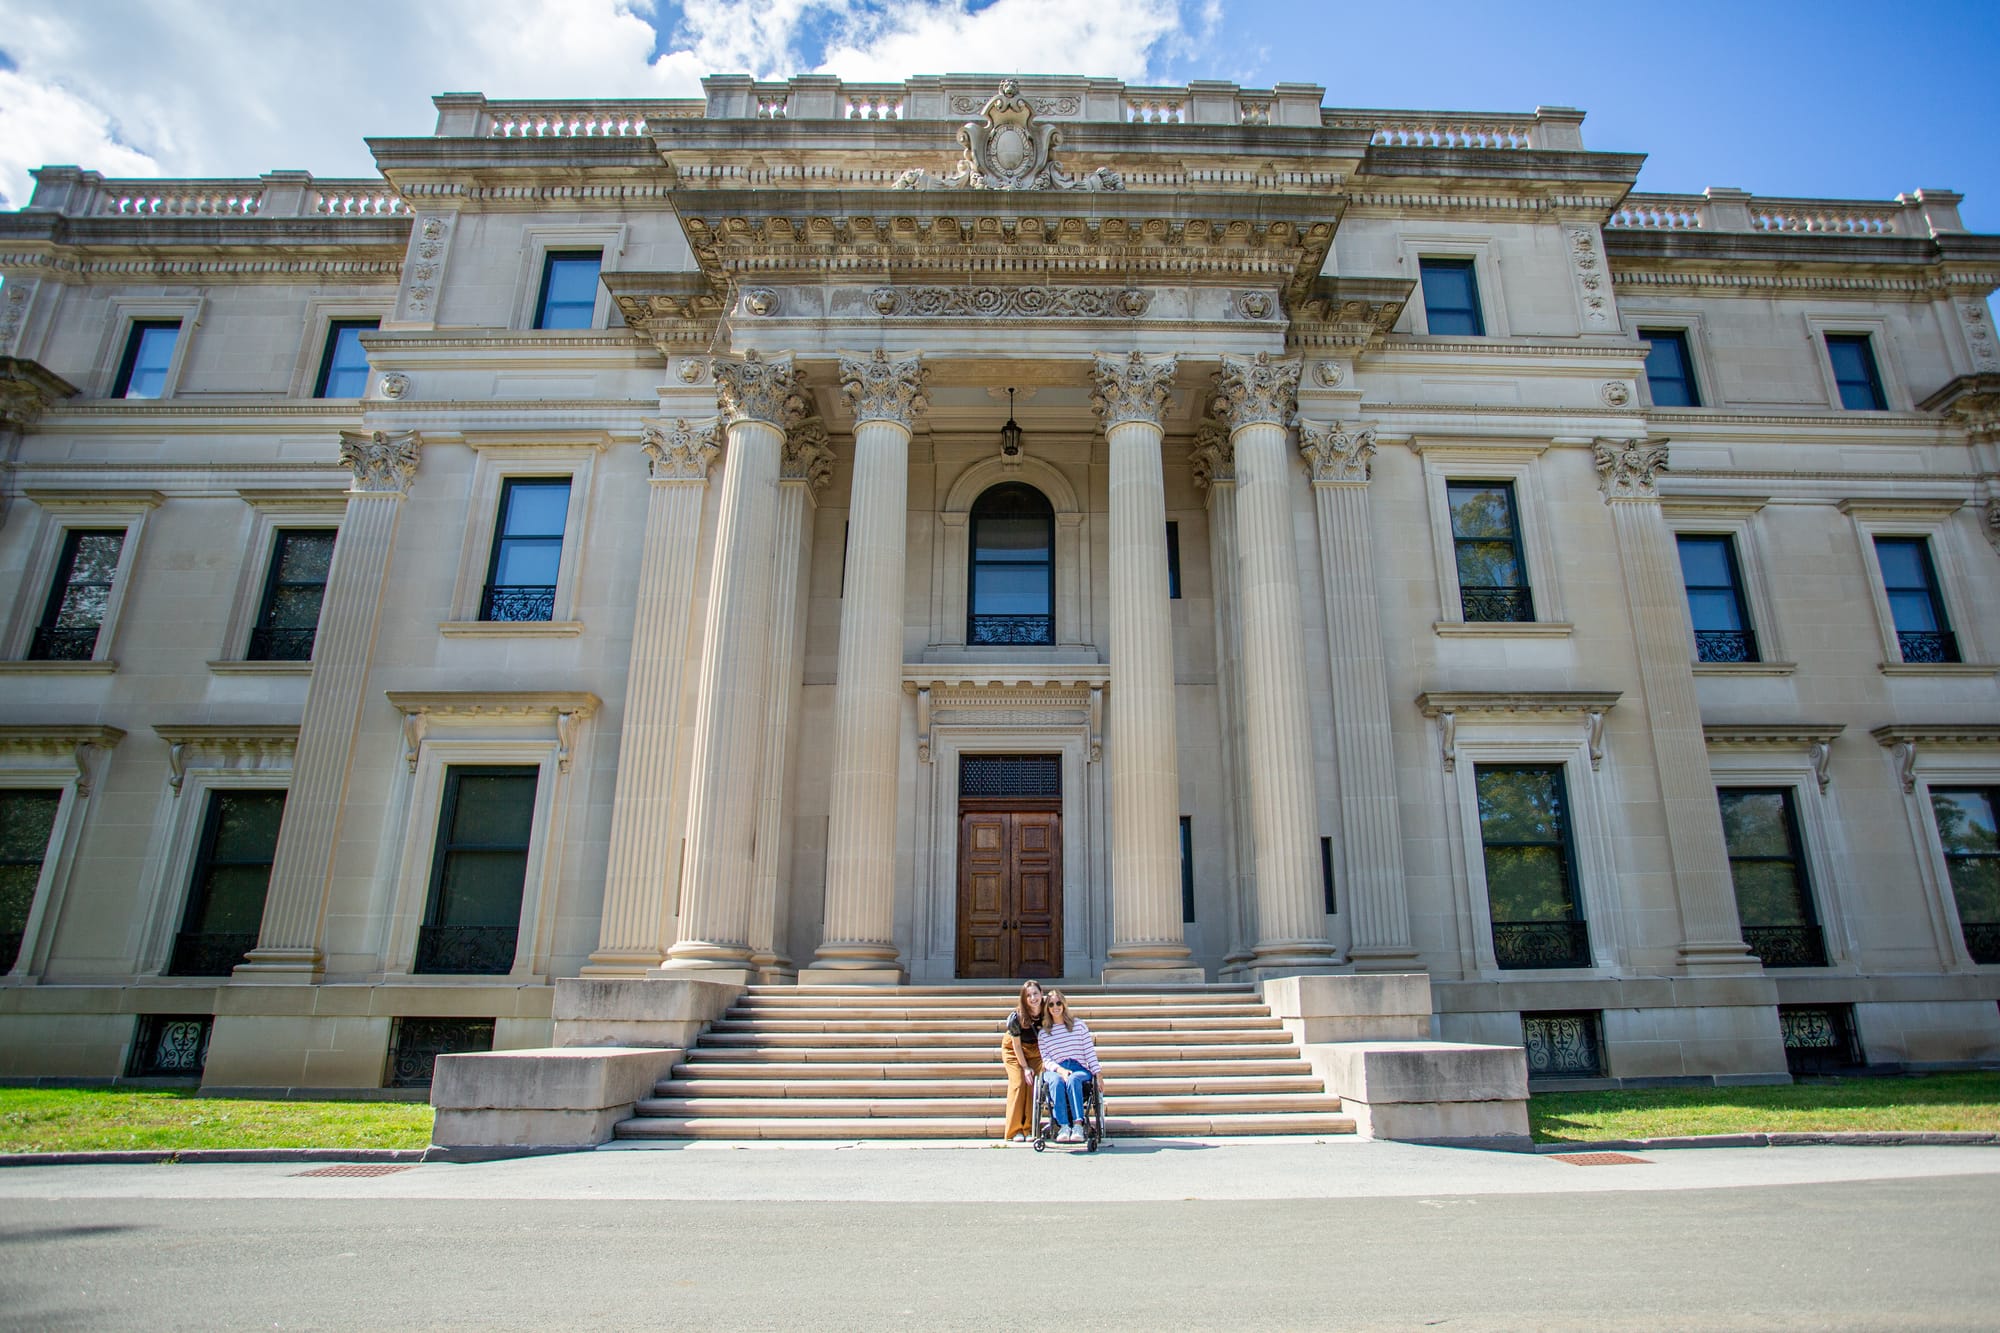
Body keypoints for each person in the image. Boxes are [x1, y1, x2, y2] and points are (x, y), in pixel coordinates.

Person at [1034, 989, 1100, 1143]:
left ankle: (1078, 1124)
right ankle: (1063, 1125)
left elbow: (1089, 1052)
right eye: (1051, 1004)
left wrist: (1098, 1073)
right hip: (1055, 1068)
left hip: (1079, 1067)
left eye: (1058, 1003)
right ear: (1047, 1008)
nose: (1055, 1007)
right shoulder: (1044, 1033)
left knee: (1073, 1079)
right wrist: (1061, 1070)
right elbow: (1047, 1060)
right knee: (1056, 1081)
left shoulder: (1078, 1026)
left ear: (1064, 1005)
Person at [1000, 979, 1045, 1142]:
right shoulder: (1016, 1017)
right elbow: (1016, 1046)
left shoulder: (1049, 1011)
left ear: (1041, 994)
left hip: (1037, 1050)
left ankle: (1030, 1128)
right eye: (1028, 995)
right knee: (1019, 1083)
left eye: (1035, 993)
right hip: (1014, 1050)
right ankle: (1014, 1130)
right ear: (1023, 999)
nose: (1033, 998)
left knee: (1035, 1085)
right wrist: (1025, 1067)